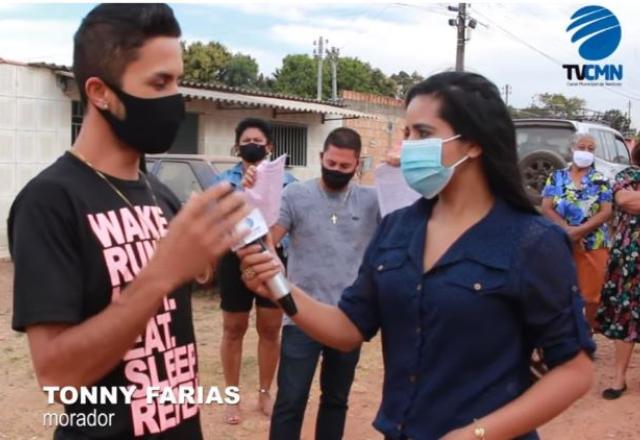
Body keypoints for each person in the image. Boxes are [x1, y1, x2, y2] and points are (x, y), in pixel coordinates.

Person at [237, 71, 594, 440]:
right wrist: (278, 285)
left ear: (473, 143)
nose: (407, 146)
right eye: (406, 134)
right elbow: (347, 329)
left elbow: (574, 370)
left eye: (422, 134)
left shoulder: (533, 241)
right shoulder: (397, 229)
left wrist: (475, 434)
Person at [8, 4, 250, 439]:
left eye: (177, 80)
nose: (176, 98)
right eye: (159, 82)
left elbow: (191, 277)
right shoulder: (49, 202)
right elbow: (57, 375)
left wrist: (225, 254)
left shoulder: (159, 193)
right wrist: (160, 274)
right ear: (100, 91)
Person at [264, 127, 380, 440]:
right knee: (290, 398)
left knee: (335, 399)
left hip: (348, 318)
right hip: (301, 315)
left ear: (358, 163)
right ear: (320, 157)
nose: (337, 170)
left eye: (345, 166)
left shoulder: (372, 201)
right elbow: (268, 240)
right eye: (331, 163)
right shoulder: (295, 195)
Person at [214, 117, 296, 424]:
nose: (252, 145)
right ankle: (232, 397)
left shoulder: (287, 182)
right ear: (237, 146)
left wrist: (268, 243)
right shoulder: (222, 181)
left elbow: (290, 226)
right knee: (233, 329)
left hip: (272, 260)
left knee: (270, 330)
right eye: (246, 140)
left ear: (269, 146)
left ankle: (264, 392)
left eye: (258, 141)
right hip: (234, 262)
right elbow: (217, 222)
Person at [541, 134, 613, 328]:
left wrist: (580, 231)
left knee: (592, 295)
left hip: (594, 242)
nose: (586, 152)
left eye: (591, 149)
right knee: (558, 291)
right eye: (582, 147)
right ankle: (560, 334)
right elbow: (546, 207)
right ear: (572, 149)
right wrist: (567, 230)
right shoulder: (556, 177)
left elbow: (606, 211)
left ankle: (586, 332)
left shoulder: (600, 179)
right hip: (560, 241)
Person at [596, 146, 640, 399]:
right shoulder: (625, 175)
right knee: (625, 315)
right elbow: (624, 201)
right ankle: (618, 380)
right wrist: (632, 199)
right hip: (628, 261)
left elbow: (633, 202)